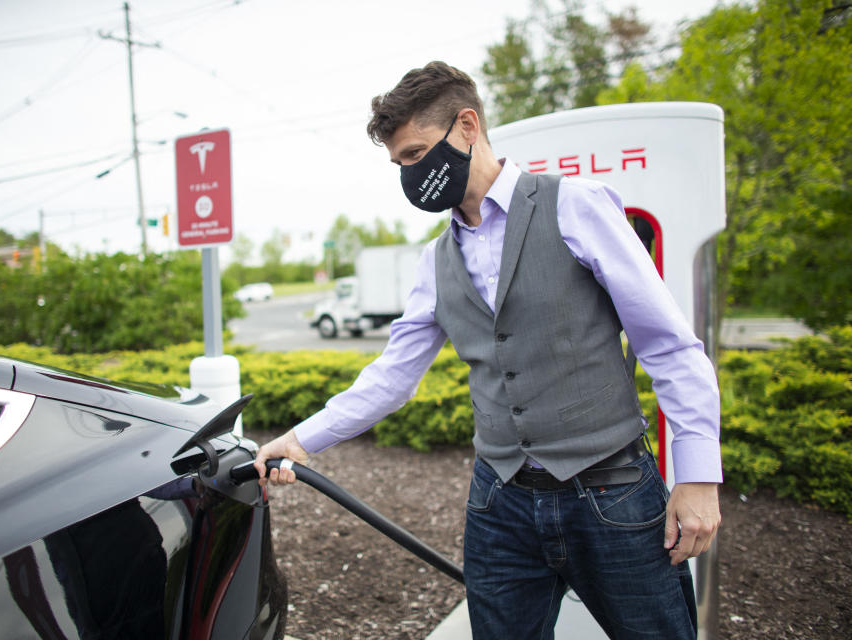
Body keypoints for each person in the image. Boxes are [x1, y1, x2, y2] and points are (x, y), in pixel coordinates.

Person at [254, 61, 721, 639]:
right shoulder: (434, 260)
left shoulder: (575, 204)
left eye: (417, 152)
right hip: (499, 506)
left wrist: (698, 478)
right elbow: (393, 376)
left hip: (611, 493)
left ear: (467, 126)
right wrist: (300, 440)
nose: (411, 172)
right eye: (400, 162)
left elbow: (668, 346)